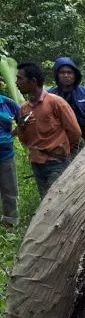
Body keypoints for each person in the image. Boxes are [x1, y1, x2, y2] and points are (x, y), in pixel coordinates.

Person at [15, 61, 81, 197]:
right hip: (36, 164)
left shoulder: (55, 102)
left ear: (33, 81)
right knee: (45, 202)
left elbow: (75, 132)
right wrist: (21, 127)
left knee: (58, 201)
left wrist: (61, 149)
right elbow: (24, 140)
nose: (16, 82)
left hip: (57, 163)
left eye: (20, 78)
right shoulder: (24, 108)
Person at [0, 90, 20, 227]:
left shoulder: (8, 103)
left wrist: (10, 135)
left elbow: (24, 122)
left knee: (9, 188)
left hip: (6, 154)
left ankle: (10, 223)